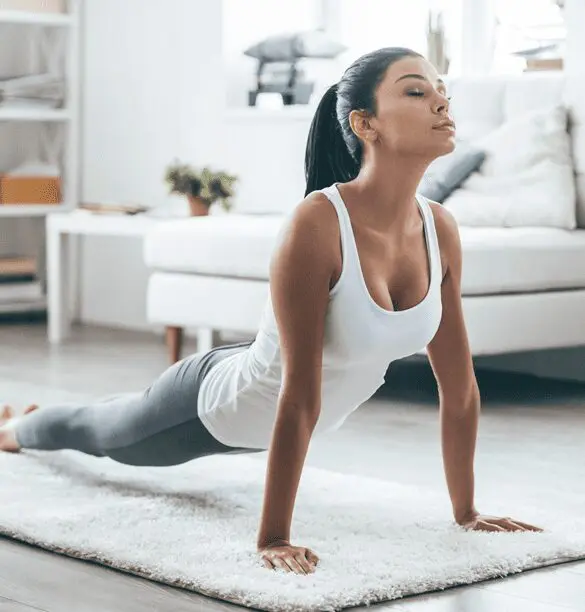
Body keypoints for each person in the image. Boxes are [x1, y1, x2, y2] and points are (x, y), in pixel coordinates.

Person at [0, 47, 542, 576]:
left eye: (442, 91)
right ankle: (19, 429)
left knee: (109, 421)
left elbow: (460, 385)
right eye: (417, 91)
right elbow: (298, 390)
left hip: (280, 413)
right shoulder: (318, 223)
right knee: (102, 431)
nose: (442, 103)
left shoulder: (439, 228)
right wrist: (274, 537)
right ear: (365, 124)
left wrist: (467, 513)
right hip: (220, 404)